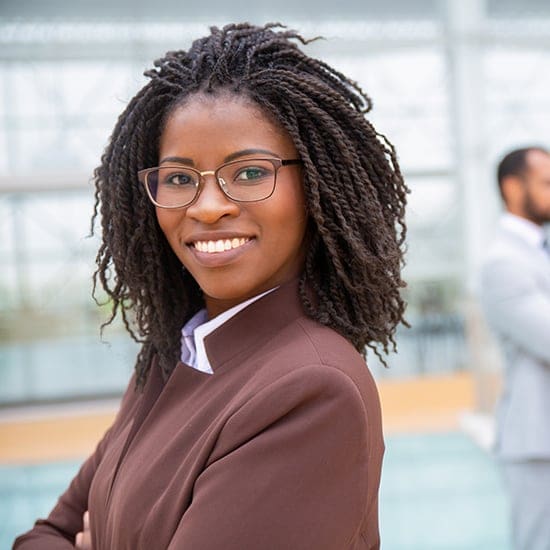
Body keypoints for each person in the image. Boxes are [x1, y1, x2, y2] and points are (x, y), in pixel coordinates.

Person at [13, 23, 408, 550]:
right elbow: (44, 534)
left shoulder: (313, 389)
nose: (206, 206)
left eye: (248, 173)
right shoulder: (171, 356)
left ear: (314, 185)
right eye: (179, 179)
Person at [480, 147, 550, 550]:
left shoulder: (538, 251)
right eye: (546, 183)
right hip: (538, 441)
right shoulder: (502, 263)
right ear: (512, 187)